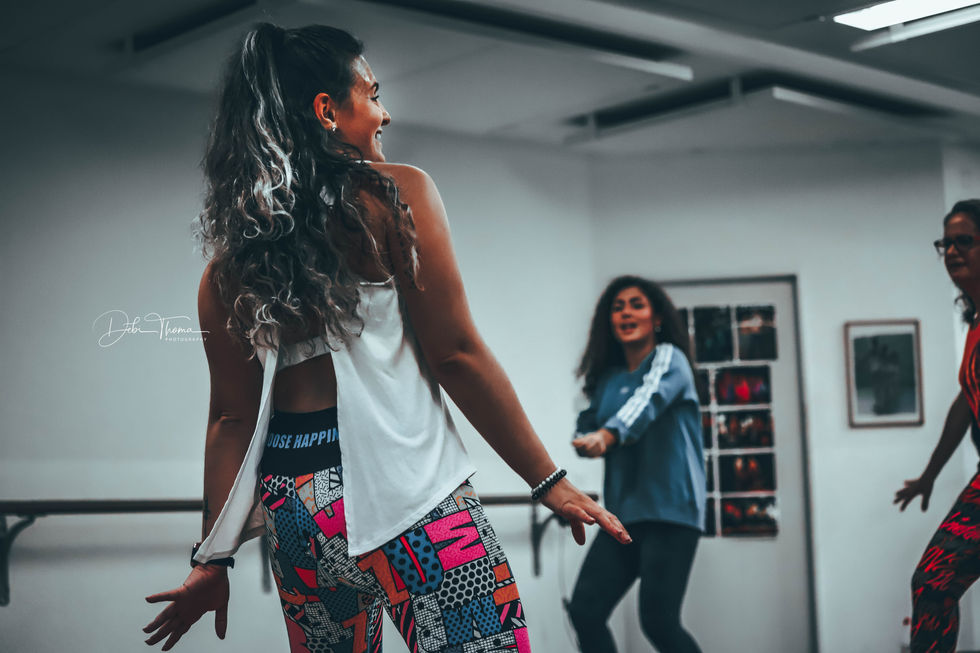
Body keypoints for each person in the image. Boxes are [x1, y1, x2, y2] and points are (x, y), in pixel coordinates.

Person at [141, 23, 630, 653]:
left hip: (298, 508)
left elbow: (230, 419)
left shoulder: (229, 266)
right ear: (327, 111)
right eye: (371, 94)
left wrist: (212, 557)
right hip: (408, 497)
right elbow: (455, 356)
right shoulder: (393, 196)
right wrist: (548, 480)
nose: (384, 112)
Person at [567, 275, 705, 653]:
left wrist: (607, 435)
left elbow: (647, 401)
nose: (626, 313)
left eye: (636, 305)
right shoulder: (608, 380)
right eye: (618, 307)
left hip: (671, 513)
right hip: (624, 515)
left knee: (659, 622)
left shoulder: (669, 359)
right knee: (585, 611)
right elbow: (587, 423)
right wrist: (586, 439)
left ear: (656, 317)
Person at [896, 199, 980, 653]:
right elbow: (966, 401)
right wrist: (929, 474)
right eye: (944, 243)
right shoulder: (976, 323)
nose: (951, 251)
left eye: (963, 241)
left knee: (934, 581)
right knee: (933, 582)